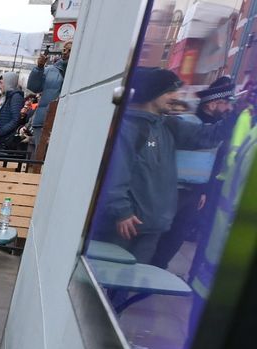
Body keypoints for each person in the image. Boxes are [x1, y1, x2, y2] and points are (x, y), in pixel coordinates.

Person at [94, 68, 233, 264]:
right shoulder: (127, 128)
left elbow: (207, 136)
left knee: (128, 283)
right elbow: (115, 174)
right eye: (169, 91)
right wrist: (122, 212)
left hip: (152, 226)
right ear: (152, 93)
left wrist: (236, 116)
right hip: (125, 226)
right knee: (106, 274)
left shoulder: (167, 125)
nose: (176, 96)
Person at [150, 76, 237, 270]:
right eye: (224, 104)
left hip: (195, 192)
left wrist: (204, 190)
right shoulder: (186, 121)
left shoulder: (216, 128)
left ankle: (158, 268)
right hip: (172, 188)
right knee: (158, 233)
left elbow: (214, 163)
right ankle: (146, 267)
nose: (228, 109)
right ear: (212, 104)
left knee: (177, 236)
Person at [26, 41, 71, 155]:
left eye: (69, 50)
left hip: (66, 120)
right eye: (64, 50)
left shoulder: (77, 70)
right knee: (41, 155)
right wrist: (39, 68)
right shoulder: (51, 69)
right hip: (44, 120)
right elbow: (34, 86)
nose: (65, 53)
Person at [0, 73, 25, 149]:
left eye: (1, 82)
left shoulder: (16, 97)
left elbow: (15, 119)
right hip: (2, 137)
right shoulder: (8, 96)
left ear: (8, 82)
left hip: (5, 139)